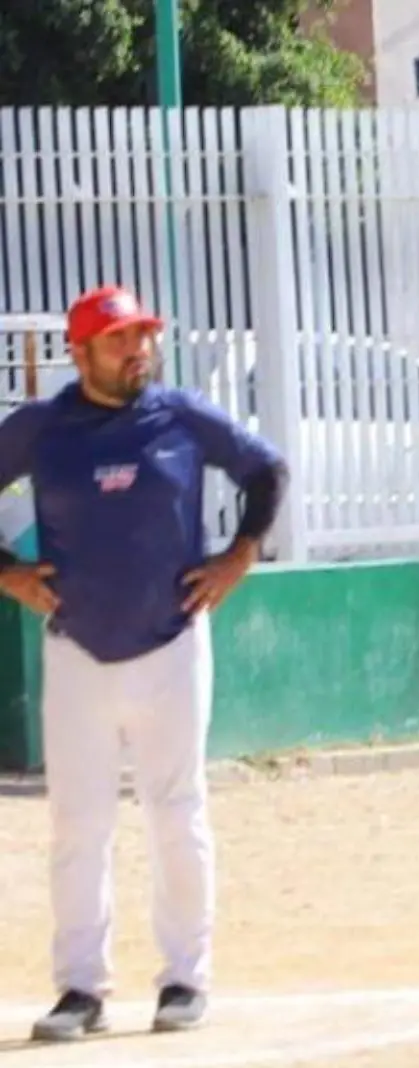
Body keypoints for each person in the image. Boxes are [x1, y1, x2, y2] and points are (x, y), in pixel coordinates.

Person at [0, 287, 289, 1041]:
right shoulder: (42, 430)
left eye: (144, 338)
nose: (139, 352)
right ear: (82, 352)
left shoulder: (183, 419)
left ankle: (185, 979)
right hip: (76, 652)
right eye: (120, 340)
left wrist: (240, 554)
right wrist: (8, 573)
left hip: (171, 645)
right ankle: (80, 989)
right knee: (77, 825)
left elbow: (266, 472)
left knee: (176, 812)